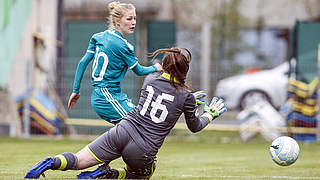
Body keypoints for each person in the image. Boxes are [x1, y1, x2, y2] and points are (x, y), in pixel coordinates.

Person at [24, 47, 227, 179]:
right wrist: (209, 114)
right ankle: (106, 175)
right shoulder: (186, 96)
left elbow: (168, 92)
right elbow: (194, 126)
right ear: (185, 71)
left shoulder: (150, 80)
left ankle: (49, 163)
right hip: (144, 148)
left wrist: (189, 99)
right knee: (142, 174)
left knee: (78, 160)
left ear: (164, 66)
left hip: (123, 130)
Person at [68, 1, 162, 124]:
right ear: (117, 21)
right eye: (129, 19)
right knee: (140, 125)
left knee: (134, 130)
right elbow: (139, 71)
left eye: (134, 18)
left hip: (107, 95)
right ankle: (99, 145)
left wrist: (76, 90)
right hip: (106, 97)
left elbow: (82, 63)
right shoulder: (123, 46)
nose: (133, 22)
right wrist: (156, 67)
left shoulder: (98, 37)